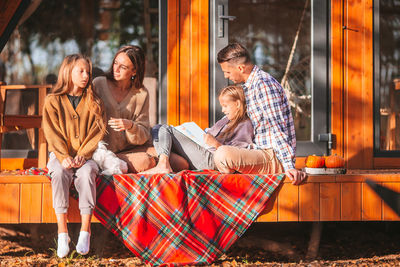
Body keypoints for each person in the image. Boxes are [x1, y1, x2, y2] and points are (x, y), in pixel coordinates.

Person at [215, 43, 307, 185]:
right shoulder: (248, 88)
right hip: (257, 151)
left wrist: (289, 165)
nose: (226, 76)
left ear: (240, 68)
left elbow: (276, 126)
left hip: (273, 156)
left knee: (222, 154)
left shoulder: (263, 85)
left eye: (227, 72)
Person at [42, 54, 106, 257]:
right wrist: (63, 156)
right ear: (68, 72)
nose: (86, 75)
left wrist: (84, 155)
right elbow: (51, 132)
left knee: (87, 175)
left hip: (87, 157)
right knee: (59, 174)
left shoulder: (94, 101)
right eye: (81, 71)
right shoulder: (53, 101)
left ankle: (85, 232)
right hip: (60, 156)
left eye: (88, 71)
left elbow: (98, 131)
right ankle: (63, 233)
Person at [93, 45, 187, 173]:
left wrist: (131, 126)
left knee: (181, 163)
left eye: (123, 67)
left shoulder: (141, 93)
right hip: (107, 152)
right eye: (115, 63)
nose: (116, 69)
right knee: (146, 162)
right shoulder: (98, 84)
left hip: (134, 148)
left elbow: (143, 133)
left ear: (134, 71)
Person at [140, 85, 254, 174]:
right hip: (203, 150)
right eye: (222, 106)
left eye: (225, 106)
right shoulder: (227, 119)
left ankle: (163, 164)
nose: (223, 110)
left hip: (212, 160)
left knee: (164, 129)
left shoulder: (245, 124)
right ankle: (167, 163)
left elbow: (237, 157)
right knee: (158, 129)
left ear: (238, 104)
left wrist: (216, 144)